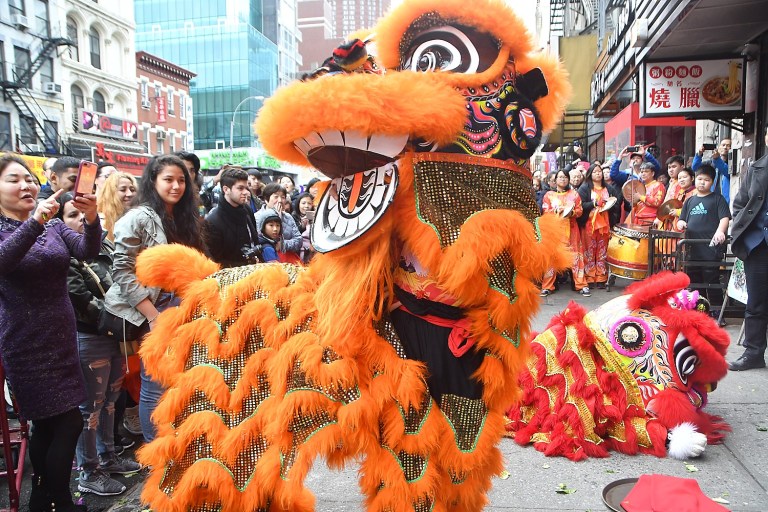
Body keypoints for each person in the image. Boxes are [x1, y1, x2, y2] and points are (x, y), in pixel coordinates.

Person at [0, 154, 101, 512]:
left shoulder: (55, 226)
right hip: (25, 340)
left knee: (47, 426)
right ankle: (57, 498)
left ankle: (43, 499)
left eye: (28, 178)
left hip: (62, 337)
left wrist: (91, 217)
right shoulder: (19, 227)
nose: (25, 185)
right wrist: (36, 222)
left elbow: (88, 250)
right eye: (14, 180)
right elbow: (4, 261)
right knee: (68, 422)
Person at [103, 155, 204, 442]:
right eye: (168, 179)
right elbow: (122, 270)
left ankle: (178, 446)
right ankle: (155, 454)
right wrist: (152, 315)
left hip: (182, 308)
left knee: (180, 380)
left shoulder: (185, 216)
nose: (176, 186)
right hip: (153, 310)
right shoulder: (138, 217)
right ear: (153, 181)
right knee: (154, 383)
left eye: (181, 180)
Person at [56, 193, 141, 497]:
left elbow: (122, 280)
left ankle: (109, 457)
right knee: (90, 408)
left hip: (115, 334)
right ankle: (89, 473)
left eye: (84, 214)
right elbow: (79, 297)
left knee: (110, 401)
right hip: (91, 336)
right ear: (59, 223)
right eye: (71, 215)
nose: (80, 220)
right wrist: (118, 318)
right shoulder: (63, 255)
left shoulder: (103, 245)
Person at [728, 126, 768, 371]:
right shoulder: (757, 167)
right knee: (756, 301)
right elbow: (740, 202)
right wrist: (742, 225)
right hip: (758, 243)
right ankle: (753, 353)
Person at [676, 164, 730, 315]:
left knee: (712, 280)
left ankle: (718, 312)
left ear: (712, 182)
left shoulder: (717, 199)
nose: (702, 182)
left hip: (710, 248)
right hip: (692, 248)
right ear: (695, 179)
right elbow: (681, 219)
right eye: (700, 179)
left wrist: (720, 231)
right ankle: (700, 310)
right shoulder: (690, 201)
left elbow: (724, 218)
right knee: (695, 281)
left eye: (706, 180)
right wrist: (681, 223)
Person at [540, 169, 588, 296]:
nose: (563, 179)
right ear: (555, 180)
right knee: (552, 257)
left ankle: (581, 284)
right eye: (560, 177)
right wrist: (558, 210)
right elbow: (545, 211)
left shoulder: (574, 194)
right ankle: (548, 286)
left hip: (572, 229)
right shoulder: (548, 195)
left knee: (576, 256)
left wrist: (571, 212)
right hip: (555, 230)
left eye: (565, 177)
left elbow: (579, 210)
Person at [204, 167, 261, 267]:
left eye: (246, 188)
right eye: (240, 188)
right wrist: (244, 264)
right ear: (226, 189)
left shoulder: (247, 209)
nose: (246, 192)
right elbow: (215, 261)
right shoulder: (212, 221)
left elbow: (254, 239)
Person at [578, 164, 613, 288]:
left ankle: (601, 277)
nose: (598, 174)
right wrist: (594, 203)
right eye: (595, 172)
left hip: (605, 222)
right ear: (590, 174)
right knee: (589, 249)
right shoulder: (584, 188)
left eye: (600, 171)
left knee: (602, 249)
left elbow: (615, 203)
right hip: (590, 223)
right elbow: (581, 205)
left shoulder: (608, 188)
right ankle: (590, 276)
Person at [262, 182, 303, 257]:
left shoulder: (288, 217)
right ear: (266, 199)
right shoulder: (258, 216)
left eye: (283, 197)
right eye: (276, 197)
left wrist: (283, 244)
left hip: (287, 258)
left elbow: (299, 240)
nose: (280, 200)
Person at [97, 172, 137, 242]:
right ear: (110, 194)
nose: (129, 194)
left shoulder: (143, 219)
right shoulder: (99, 223)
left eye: (132, 190)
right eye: (123, 190)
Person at [627, 162, 666, 227]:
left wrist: (640, 197)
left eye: (646, 171)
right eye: (642, 172)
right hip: (638, 219)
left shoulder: (658, 185)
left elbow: (657, 202)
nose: (643, 174)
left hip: (650, 220)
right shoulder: (641, 186)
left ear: (653, 173)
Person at [692, 139, 731, 203]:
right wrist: (699, 155)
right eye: (723, 145)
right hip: (711, 198)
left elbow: (726, 171)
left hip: (725, 200)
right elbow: (695, 168)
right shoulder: (710, 163)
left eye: (728, 145)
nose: (725, 147)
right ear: (718, 147)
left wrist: (717, 159)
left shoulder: (731, 164)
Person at [292, 192, 315, 264]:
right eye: (303, 203)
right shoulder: (293, 217)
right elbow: (292, 234)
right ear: (298, 204)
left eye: (309, 203)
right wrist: (302, 226)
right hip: (298, 252)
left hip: (313, 251)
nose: (306, 206)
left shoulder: (316, 216)